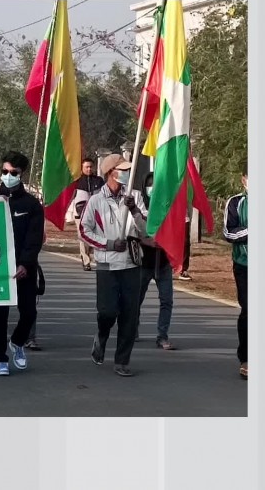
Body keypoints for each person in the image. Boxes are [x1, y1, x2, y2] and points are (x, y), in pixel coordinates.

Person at [79, 153, 148, 377]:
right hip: (107, 264)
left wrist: (135, 211)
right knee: (107, 311)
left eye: (128, 170)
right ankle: (102, 335)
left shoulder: (135, 196)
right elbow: (83, 231)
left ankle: (122, 360)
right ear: (111, 173)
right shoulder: (96, 200)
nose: (127, 173)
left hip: (132, 263)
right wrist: (108, 244)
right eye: (123, 170)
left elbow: (146, 230)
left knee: (130, 315)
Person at [0, 152, 44, 376]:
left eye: (13, 173)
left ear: (21, 174)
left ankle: (17, 342)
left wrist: (25, 264)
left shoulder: (32, 205)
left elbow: (34, 238)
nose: (8, 176)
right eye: (5, 171)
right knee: (0, 315)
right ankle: (0, 359)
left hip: (24, 269)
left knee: (29, 313)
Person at [134, 173, 176, 350]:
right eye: (149, 185)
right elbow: (132, 233)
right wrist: (146, 241)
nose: (152, 188)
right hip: (144, 262)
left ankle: (162, 336)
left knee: (166, 301)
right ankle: (132, 328)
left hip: (163, 263)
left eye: (156, 185)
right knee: (136, 299)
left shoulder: (168, 207)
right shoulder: (138, 207)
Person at [224, 163, 248, 379]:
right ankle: (246, 358)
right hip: (244, 265)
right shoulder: (236, 202)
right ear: (244, 179)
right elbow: (229, 233)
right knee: (249, 310)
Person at [74, 158, 105, 271]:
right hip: (80, 213)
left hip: (96, 214)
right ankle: (86, 260)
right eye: (86, 167)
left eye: (90, 167)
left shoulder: (99, 181)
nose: (89, 169)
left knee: (94, 236)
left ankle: (93, 255)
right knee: (83, 236)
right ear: (82, 168)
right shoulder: (77, 182)